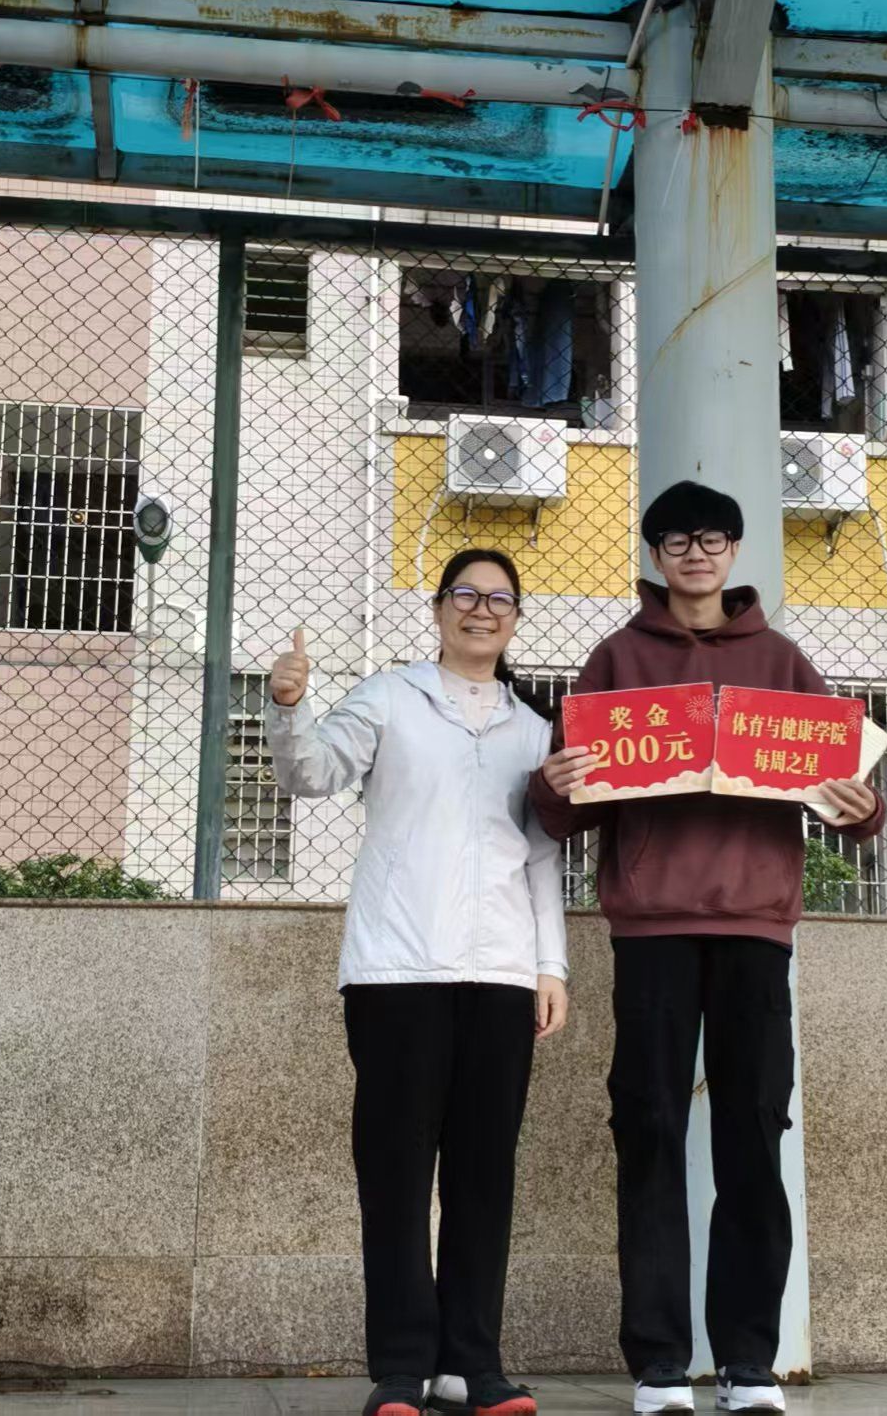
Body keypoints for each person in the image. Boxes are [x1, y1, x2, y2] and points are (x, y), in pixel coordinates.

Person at [528, 483, 884, 1416]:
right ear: (655, 553)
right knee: (648, 1128)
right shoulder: (617, 658)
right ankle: (658, 1364)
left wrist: (862, 808)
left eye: (714, 536)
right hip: (651, 929)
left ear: (734, 550)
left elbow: (847, 793)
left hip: (756, 929)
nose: (696, 551)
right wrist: (555, 783)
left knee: (753, 1137)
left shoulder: (781, 661)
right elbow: (560, 808)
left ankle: (748, 1363)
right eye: (677, 538)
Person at [267, 549, 568, 1416]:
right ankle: (401, 1367)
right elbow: (310, 773)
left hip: (502, 974)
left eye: (500, 598)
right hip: (397, 969)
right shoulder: (390, 698)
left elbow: (541, 857)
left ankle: (472, 1364)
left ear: (516, 618)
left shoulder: (534, 729)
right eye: (465, 594)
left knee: (484, 1173)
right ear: (439, 610)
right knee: (396, 1172)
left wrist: (550, 966)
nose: (482, 609)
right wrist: (288, 706)